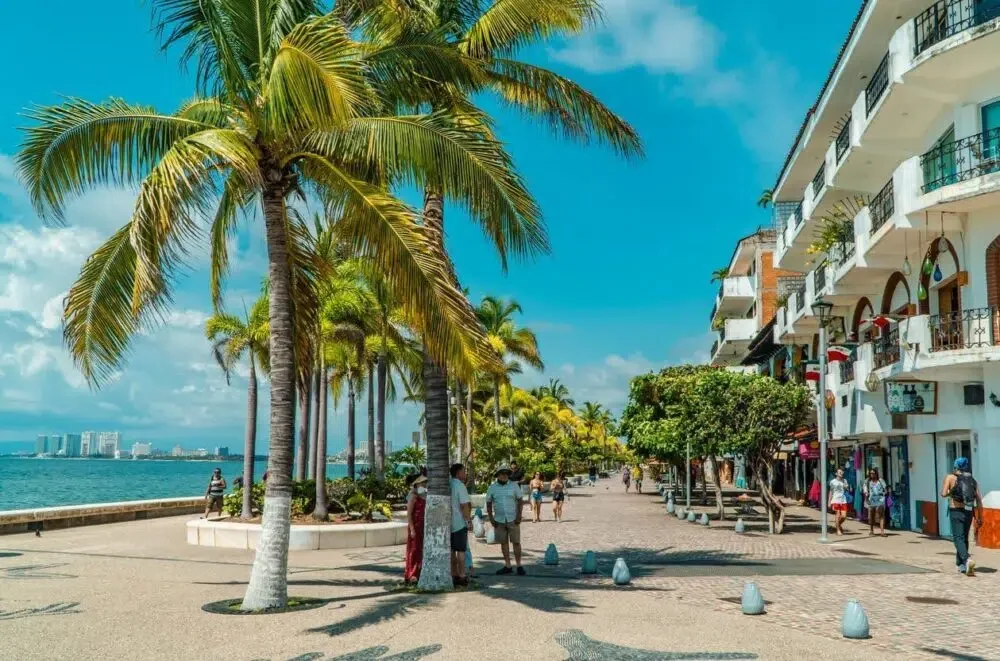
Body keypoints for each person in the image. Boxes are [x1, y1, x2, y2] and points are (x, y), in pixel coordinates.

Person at [941, 457, 983, 576]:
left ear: (955, 466)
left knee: (958, 538)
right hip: (969, 512)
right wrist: (980, 517)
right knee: (964, 538)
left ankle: (967, 559)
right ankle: (961, 565)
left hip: (956, 511)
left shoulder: (950, 477)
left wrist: (951, 492)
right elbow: (979, 500)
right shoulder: (972, 480)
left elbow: (943, 494)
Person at [486, 465, 525, 575]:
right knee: (504, 543)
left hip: (513, 519)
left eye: (506, 473)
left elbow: (520, 501)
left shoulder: (514, 486)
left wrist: (519, 516)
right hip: (499, 520)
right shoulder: (492, 488)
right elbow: (488, 503)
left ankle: (519, 565)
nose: (504, 475)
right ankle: (508, 565)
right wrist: (491, 518)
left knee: (516, 542)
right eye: (501, 473)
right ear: (497, 475)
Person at [449, 464, 472, 587]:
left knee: (452, 551)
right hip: (459, 523)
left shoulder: (447, 484)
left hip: (448, 523)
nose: (465, 474)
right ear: (458, 473)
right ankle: (462, 575)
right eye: (464, 471)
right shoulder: (460, 486)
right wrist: (468, 521)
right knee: (461, 551)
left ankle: (454, 574)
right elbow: (464, 506)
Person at [404, 474, 427, 583]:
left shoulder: (423, 495)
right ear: (417, 484)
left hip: (423, 526)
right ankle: (411, 574)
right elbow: (409, 514)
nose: (425, 484)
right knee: (414, 550)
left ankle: (419, 572)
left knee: (421, 550)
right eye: (423, 483)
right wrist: (412, 529)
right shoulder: (412, 495)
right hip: (415, 526)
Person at [862, 468, 887, 537]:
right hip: (871, 500)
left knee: (881, 515)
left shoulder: (881, 480)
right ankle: (871, 530)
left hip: (880, 500)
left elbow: (885, 489)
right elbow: (865, 490)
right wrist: (866, 494)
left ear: (876, 474)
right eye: (870, 473)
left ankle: (882, 532)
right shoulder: (867, 481)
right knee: (871, 516)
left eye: (873, 473)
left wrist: (884, 493)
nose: (871, 475)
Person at [829, 467, 851, 535]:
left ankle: (838, 525)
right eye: (840, 472)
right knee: (837, 515)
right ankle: (838, 530)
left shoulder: (844, 480)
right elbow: (831, 492)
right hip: (835, 500)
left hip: (843, 500)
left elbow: (847, 489)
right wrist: (829, 502)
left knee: (844, 516)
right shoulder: (832, 481)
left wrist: (847, 487)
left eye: (842, 472)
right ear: (836, 473)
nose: (841, 473)